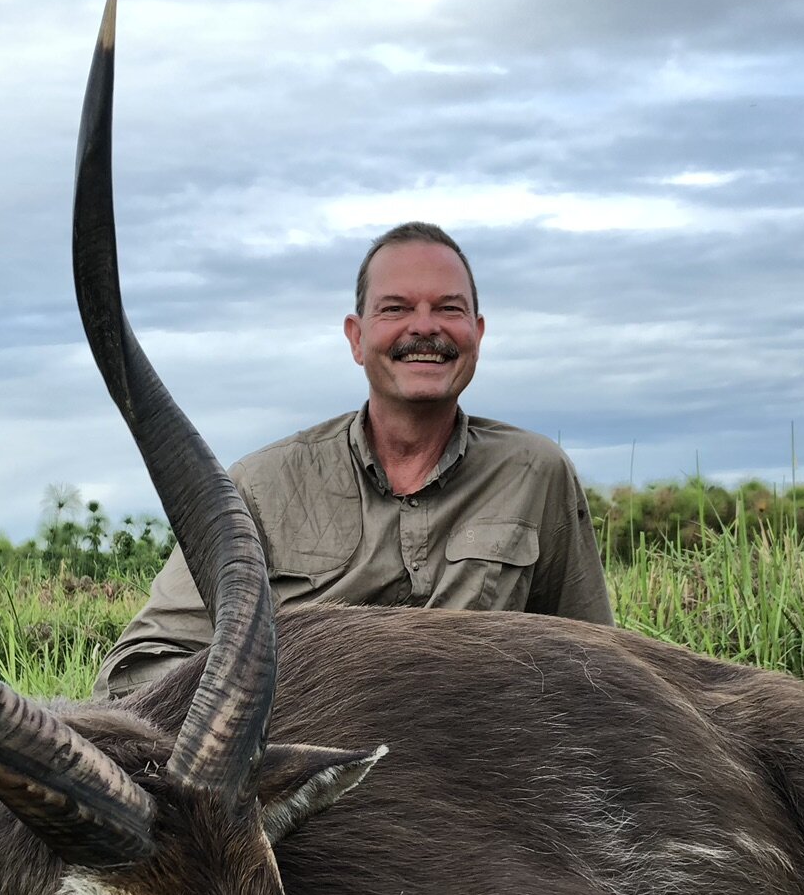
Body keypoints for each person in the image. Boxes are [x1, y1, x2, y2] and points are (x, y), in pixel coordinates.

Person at [94, 221, 613, 698]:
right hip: (304, 775)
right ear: (357, 338)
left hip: (474, 775)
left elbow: (598, 666)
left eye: (449, 309)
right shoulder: (259, 486)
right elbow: (135, 671)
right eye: (395, 309)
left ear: (477, 333)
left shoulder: (534, 472)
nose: (425, 328)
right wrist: (277, 708)